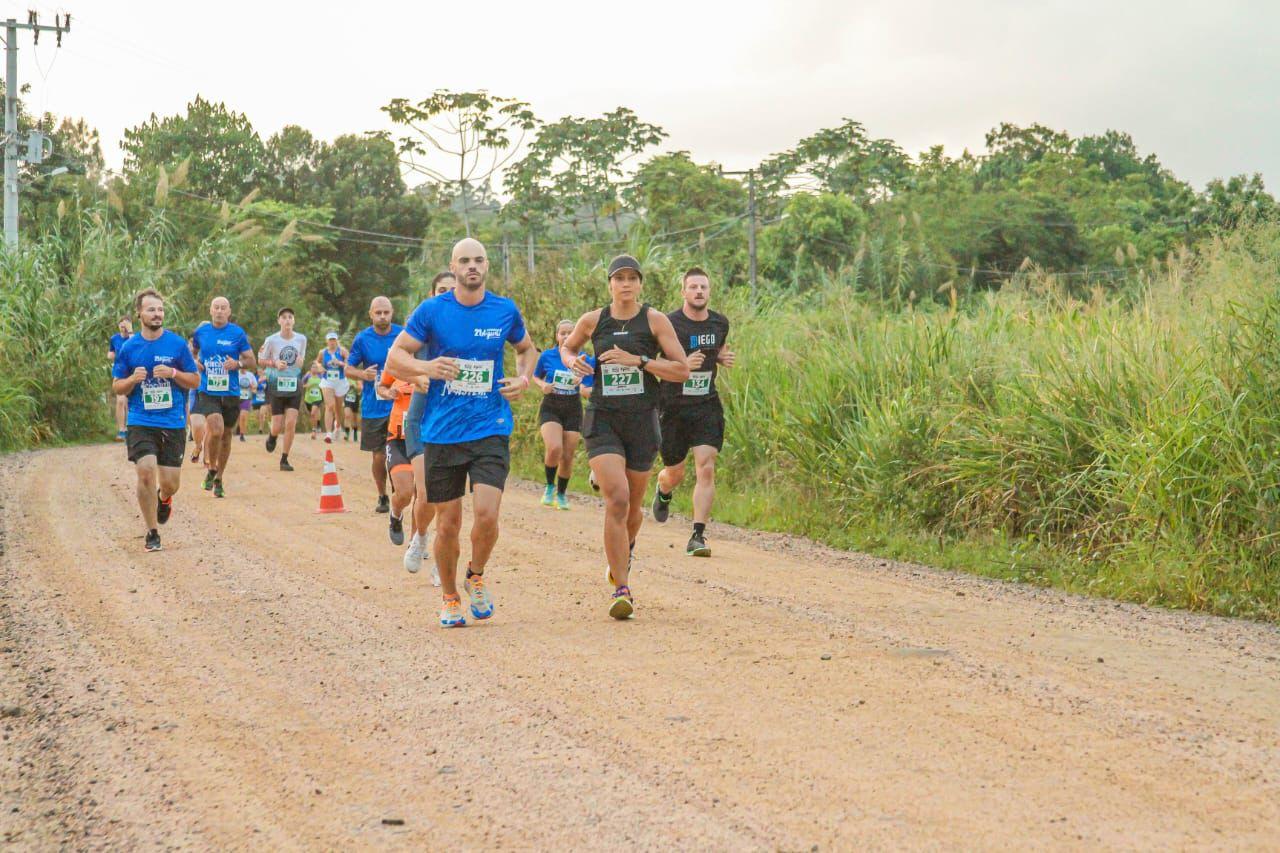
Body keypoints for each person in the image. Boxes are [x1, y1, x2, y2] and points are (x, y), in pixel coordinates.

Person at [386, 238, 536, 628]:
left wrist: (523, 378)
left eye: (479, 260)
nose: (473, 266)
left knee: (486, 516)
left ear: (487, 266)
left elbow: (525, 348)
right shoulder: (432, 311)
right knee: (448, 523)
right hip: (441, 432)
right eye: (465, 261)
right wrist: (427, 368)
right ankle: (450, 597)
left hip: (490, 426)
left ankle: (476, 575)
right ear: (453, 268)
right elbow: (395, 357)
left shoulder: (504, 309)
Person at [560, 254, 690, 620]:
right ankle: (622, 588)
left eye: (633, 278)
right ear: (610, 285)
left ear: (640, 284)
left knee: (633, 507)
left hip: (642, 422)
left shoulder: (654, 320)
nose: (626, 284)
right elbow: (567, 347)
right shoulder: (592, 321)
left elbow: (681, 369)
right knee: (616, 498)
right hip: (603, 418)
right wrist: (574, 362)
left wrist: (642, 362)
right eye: (620, 279)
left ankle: (624, 552)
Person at [650, 268, 735, 556]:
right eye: (693, 287)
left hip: (705, 405)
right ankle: (663, 490)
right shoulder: (668, 323)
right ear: (683, 292)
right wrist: (683, 364)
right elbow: (655, 363)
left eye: (704, 287)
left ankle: (698, 536)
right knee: (674, 472)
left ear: (709, 292)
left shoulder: (719, 323)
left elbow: (717, 348)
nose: (699, 291)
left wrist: (720, 357)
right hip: (673, 407)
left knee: (706, 466)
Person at [111, 289, 200, 552]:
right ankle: (152, 531)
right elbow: (118, 387)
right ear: (139, 313)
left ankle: (164, 498)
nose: (157, 314)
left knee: (171, 483)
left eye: (160, 309)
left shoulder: (176, 345)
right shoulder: (129, 348)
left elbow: (195, 380)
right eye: (151, 309)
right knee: (146, 472)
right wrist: (132, 380)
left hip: (172, 422)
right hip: (141, 420)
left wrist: (173, 373)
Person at [402, 271, 456, 578]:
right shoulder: (420, 325)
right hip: (421, 417)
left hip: (453, 420)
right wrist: (418, 376)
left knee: (447, 495)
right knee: (425, 492)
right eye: (441, 290)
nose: (447, 293)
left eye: (452, 288)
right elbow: (396, 362)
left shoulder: (468, 325)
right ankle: (420, 537)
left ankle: (441, 559)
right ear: (432, 293)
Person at [189, 296, 257, 498]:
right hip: (208, 390)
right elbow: (189, 355)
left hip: (231, 391)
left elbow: (251, 360)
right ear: (210, 311)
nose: (219, 311)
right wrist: (195, 363)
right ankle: (210, 467)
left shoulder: (237, 333)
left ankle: (218, 477)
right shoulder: (201, 332)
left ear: (229, 312)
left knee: (227, 435)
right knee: (216, 429)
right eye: (216, 308)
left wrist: (238, 364)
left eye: (223, 308)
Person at [346, 296, 403, 513]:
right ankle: (382, 495)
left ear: (392, 313)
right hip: (374, 407)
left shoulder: (403, 335)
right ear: (371, 314)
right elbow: (348, 369)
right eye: (378, 312)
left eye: (386, 312)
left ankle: (401, 491)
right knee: (379, 455)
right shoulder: (362, 339)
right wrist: (363, 374)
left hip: (400, 403)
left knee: (402, 451)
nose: (382, 316)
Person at [532, 319, 594, 510]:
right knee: (554, 448)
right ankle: (549, 487)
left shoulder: (585, 358)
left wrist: (581, 381)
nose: (566, 336)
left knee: (567, 455)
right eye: (563, 333)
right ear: (557, 336)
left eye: (570, 332)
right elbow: (536, 376)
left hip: (572, 407)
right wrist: (543, 385)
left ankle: (561, 494)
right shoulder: (547, 356)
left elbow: (587, 387)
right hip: (551, 405)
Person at [259, 307, 308, 471]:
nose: (287, 320)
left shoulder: (301, 339)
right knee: (277, 425)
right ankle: (272, 436)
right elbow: (261, 360)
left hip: (294, 384)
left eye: (290, 317)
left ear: (294, 321)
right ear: (279, 321)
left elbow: (300, 360)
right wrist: (275, 364)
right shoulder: (271, 340)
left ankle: (284, 459)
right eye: (284, 317)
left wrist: (301, 362)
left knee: (291, 422)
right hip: (276, 384)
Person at [314, 331, 349, 443]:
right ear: (327, 341)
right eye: (330, 340)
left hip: (340, 381)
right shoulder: (323, 352)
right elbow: (317, 362)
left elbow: (350, 364)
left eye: (334, 340)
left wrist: (340, 363)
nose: (332, 342)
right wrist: (319, 366)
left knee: (338, 409)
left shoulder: (342, 351)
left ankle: (337, 426)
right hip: (327, 381)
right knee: (329, 406)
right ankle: (328, 433)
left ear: (336, 340)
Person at [108, 316, 133, 441]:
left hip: (133, 371)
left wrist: (130, 332)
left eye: (126, 325)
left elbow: (137, 346)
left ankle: (130, 428)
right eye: (121, 325)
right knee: (120, 401)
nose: (123, 327)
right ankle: (121, 429)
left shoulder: (134, 337)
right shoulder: (114, 338)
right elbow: (111, 352)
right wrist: (111, 355)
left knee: (129, 402)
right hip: (119, 371)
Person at [236, 369, 258, 441]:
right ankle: (239, 428)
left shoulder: (250, 375)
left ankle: (242, 434)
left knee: (243, 415)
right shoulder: (236, 373)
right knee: (238, 416)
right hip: (236, 397)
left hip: (246, 397)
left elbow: (255, 386)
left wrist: (252, 386)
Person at [303, 365, 324, 438]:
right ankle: (316, 424)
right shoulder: (308, 375)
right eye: (313, 367)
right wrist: (307, 386)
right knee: (312, 414)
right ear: (310, 368)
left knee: (313, 413)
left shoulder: (320, 376)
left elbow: (324, 384)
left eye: (316, 368)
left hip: (317, 398)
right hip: (308, 398)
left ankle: (314, 431)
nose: (314, 369)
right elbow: (302, 384)